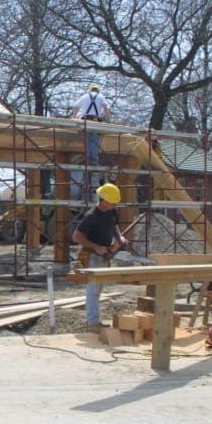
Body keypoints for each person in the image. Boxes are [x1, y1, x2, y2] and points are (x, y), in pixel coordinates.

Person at [72, 182, 128, 330]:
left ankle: (94, 321)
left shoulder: (112, 212)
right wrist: (96, 247)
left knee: (98, 290)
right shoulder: (91, 216)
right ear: (103, 200)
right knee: (93, 291)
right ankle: (92, 323)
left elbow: (114, 226)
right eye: (112, 203)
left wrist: (119, 238)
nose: (114, 206)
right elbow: (76, 237)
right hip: (91, 256)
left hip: (104, 255)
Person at [69, 84, 111, 168]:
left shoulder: (84, 96)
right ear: (98, 91)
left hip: (85, 120)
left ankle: (87, 159)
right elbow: (106, 109)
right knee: (94, 140)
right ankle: (93, 161)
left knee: (87, 140)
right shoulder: (101, 96)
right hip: (95, 120)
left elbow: (75, 107)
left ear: (89, 90)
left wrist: (73, 117)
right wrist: (107, 118)